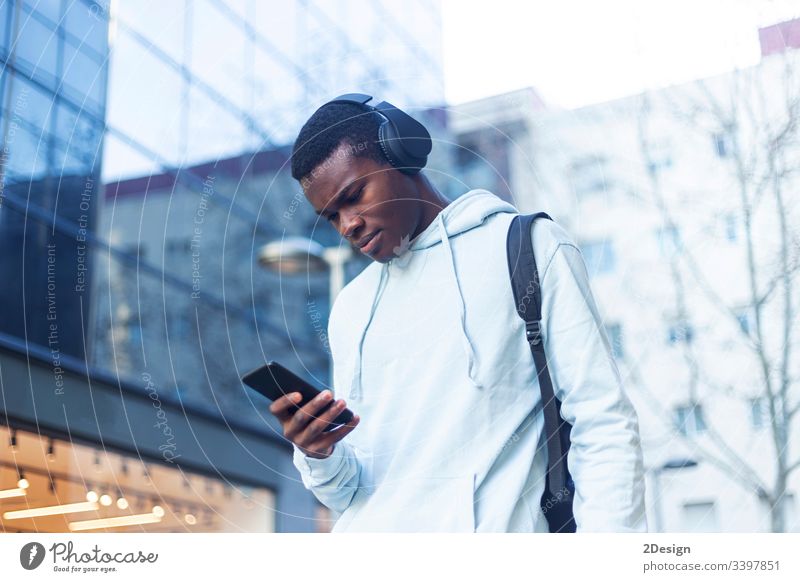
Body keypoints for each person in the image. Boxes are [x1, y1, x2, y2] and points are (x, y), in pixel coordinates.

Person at [268, 95, 648, 532]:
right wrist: (320, 453)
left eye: (354, 196)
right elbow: (349, 492)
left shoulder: (526, 247)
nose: (347, 224)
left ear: (402, 153)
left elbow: (604, 424)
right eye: (331, 216)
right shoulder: (351, 308)